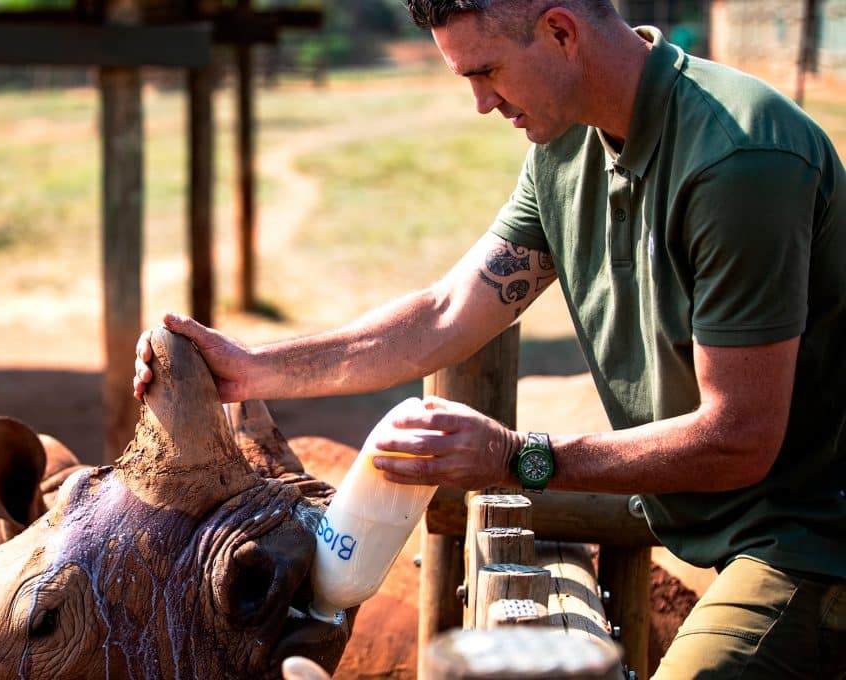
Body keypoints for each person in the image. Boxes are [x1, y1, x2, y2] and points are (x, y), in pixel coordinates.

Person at [133, 1, 846, 676]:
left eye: (485, 72)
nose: (480, 103)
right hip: (713, 519)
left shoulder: (739, 162)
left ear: (562, 33)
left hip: (808, 536)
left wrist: (515, 456)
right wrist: (251, 368)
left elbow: (741, 438)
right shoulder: (565, 146)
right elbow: (447, 312)